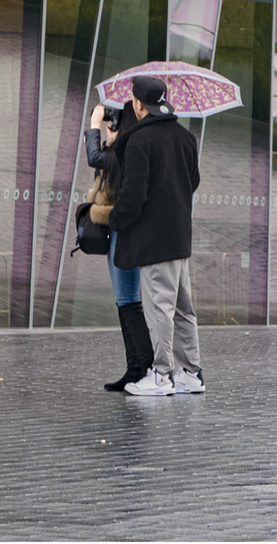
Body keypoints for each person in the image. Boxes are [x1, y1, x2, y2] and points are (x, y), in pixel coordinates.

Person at [106, 75, 203, 396]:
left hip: (154, 241)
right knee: (183, 308)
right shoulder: (186, 137)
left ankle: (162, 376)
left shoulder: (139, 141)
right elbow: (193, 182)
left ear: (137, 103)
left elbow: (133, 196)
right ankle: (191, 373)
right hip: (180, 238)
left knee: (160, 309)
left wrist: (116, 220)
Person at [85, 104, 152, 392]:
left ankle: (144, 368)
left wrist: (94, 125)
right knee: (125, 303)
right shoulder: (122, 153)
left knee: (129, 303)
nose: (107, 131)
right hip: (120, 235)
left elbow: (95, 157)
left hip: (126, 236)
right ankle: (134, 368)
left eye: (113, 125)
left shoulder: (124, 152)